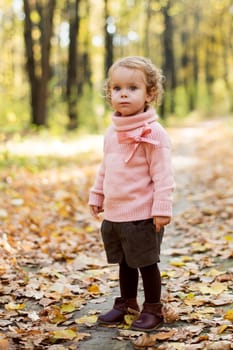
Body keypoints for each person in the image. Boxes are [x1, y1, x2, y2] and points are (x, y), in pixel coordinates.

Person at [88, 56, 175, 331]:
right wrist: (97, 194)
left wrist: (162, 208)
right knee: (125, 263)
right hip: (116, 213)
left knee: (146, 263)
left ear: (150, 93)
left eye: (133, 88)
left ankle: (153, 308)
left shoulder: (154, 133)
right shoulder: (111, 133)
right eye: (117, 88)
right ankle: (127, 303)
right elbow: (106, 167)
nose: (123, 93)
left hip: (142, 213)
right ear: (109, 93)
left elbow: (163, 175)